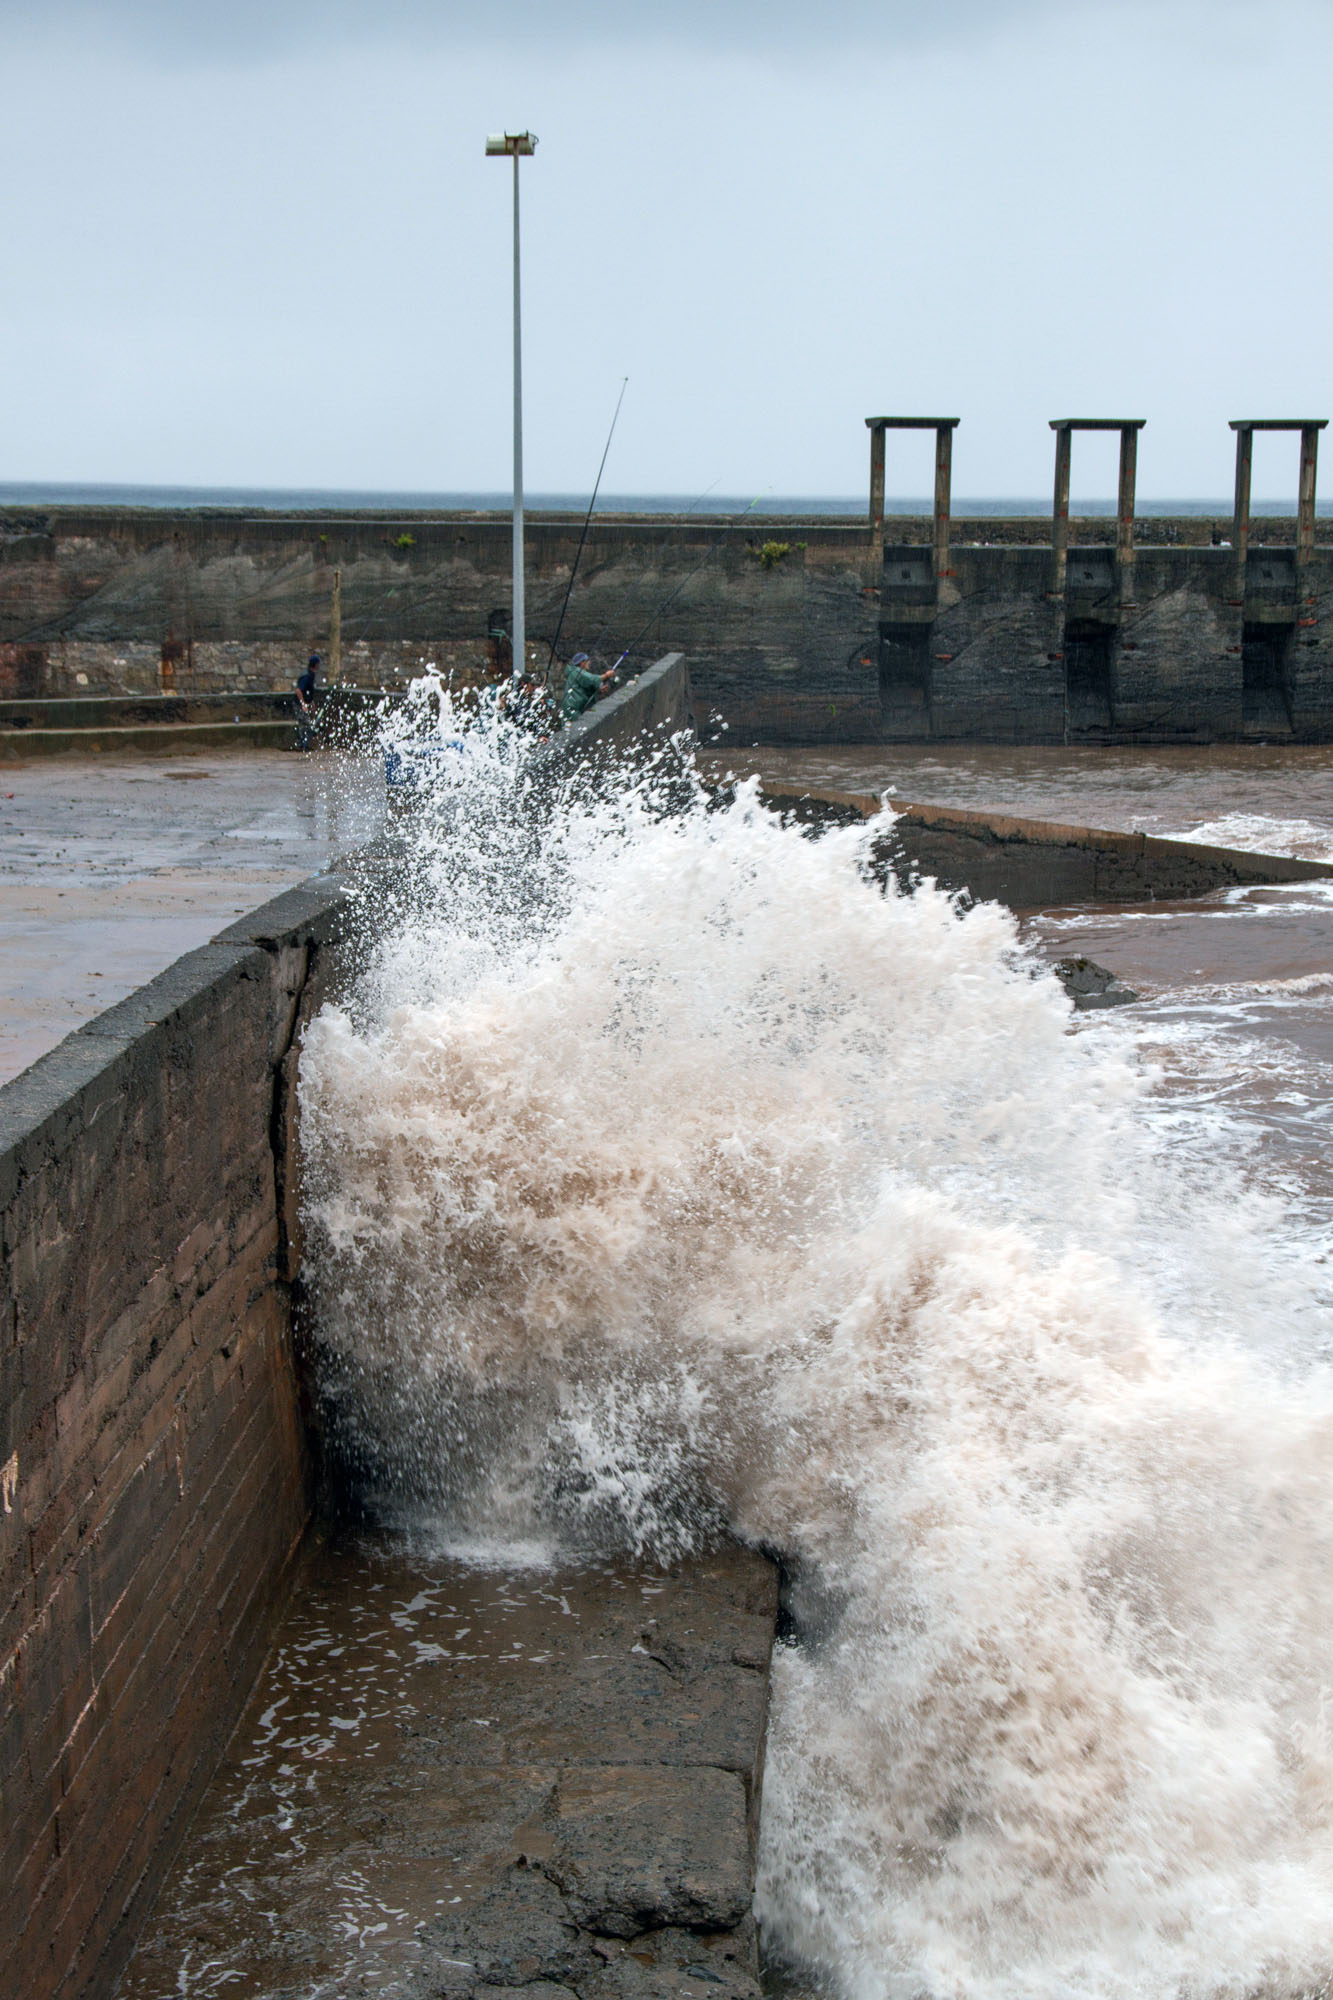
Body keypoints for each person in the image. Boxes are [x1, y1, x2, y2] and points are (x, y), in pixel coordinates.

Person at [561, 651, 615, 725]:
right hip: (573, 709)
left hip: (572, 708)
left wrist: (598, 689)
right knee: (577, 728)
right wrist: (606, 675)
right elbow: (592, 679)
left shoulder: (576, 673)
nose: (589, 663)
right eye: (587, 661)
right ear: (582, 663)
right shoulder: (577, 671)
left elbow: (584, 687)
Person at [294, 652, 321, 751]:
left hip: (305, 702)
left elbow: (308, 691)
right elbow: (298, 690)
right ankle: (301, 744)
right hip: (299, 704)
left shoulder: (311, 675)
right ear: (315, 664)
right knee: (305, 723)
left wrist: (311, 701)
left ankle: (303, 744)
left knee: (305, 724)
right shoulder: (307, 676)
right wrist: (303, 704)